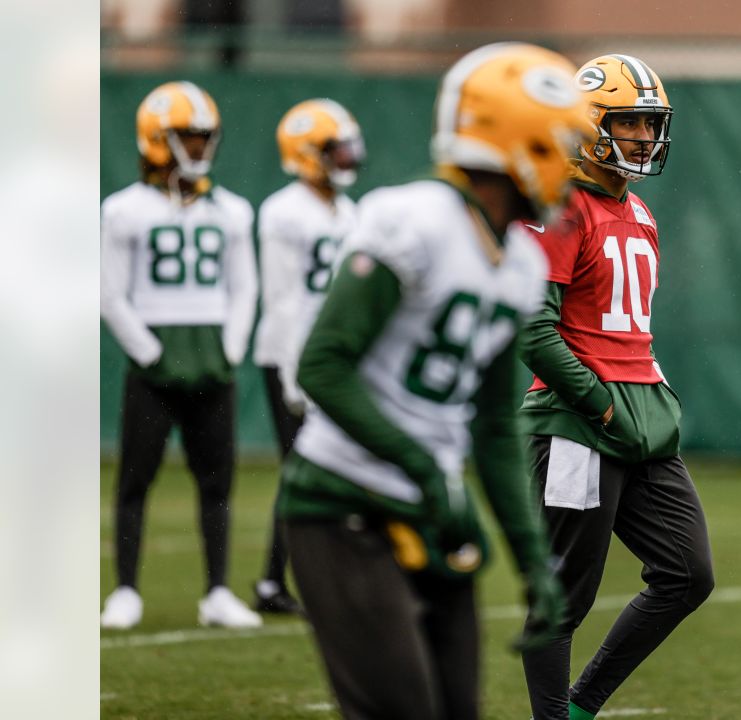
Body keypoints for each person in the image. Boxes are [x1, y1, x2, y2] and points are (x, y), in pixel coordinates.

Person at [275, 42, 594, 720]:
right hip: (341, 502)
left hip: (432, 506)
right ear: (522, 142)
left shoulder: (520, 264)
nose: (572, 167)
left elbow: (495, 427)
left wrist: (534, 561)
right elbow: (321, 367)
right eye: (562, 144)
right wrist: (425, 468)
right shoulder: (412, 218)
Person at [519, 54, 715, 720]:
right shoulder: (559, 206)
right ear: (588, 125)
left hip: (643, 419)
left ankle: (581, 706)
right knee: (564, 597)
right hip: (577, 423)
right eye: (630, 122)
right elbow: (534, 332)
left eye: (649, 123)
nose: (642, 137)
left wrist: (644, 405)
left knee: (688, 575)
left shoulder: (642, 214)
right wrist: (601, 404)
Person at [100, 80, 262, 630]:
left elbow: (245, 288)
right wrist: (149, 353)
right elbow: (110, 294)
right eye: (188, 138)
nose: (199, 148)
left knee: (217, 481)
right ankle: (125, 589)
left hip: (211, 362)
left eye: (203, 137)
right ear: (156, 139)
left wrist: (230, 347)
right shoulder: (123, 210)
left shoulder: (232, 210)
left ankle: (217, 590)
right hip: (155, 366)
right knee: (134, 481)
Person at [250, 98, 365, 615]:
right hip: (290, 355)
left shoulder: (350, 211)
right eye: (333, 149)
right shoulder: (283, 210)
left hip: (336, 356)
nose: (344, 158)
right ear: (305, 153)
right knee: (303, 468)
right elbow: (284, 300)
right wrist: (297, 378)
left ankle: (287, 579)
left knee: (335, 468)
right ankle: (277, 582)